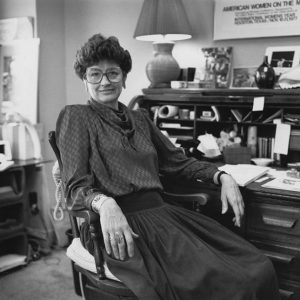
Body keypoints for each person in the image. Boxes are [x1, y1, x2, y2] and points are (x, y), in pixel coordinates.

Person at [55, 33, 281, 300]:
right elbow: (74, 186)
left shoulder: (140, 118)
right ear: (84, 80)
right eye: (95, 74)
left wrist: (221, 176)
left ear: (125, 78)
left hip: (161, 215)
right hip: (114, 225)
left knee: (255, 267)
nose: (105, 81)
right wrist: (104, 203)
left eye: (113, 73)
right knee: (209, 284)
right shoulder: (76, 116)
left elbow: (178, 162)